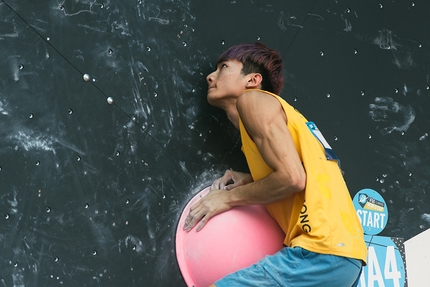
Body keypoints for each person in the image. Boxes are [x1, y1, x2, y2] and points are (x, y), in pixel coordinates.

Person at [183, 42, 367, 287]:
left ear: (252, 80)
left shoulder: (253, 101)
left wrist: (226, 198)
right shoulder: (281, 116)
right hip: (346, 260)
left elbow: (292, 178)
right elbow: (306, 173)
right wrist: (252, 177)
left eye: (223, 67)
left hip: (320, 252)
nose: (210, 76)